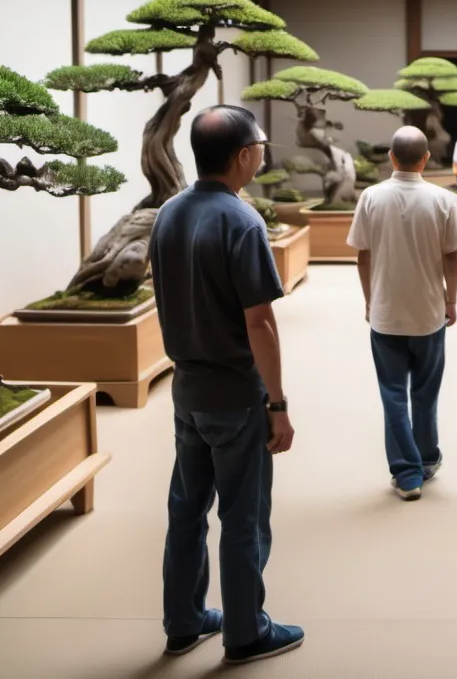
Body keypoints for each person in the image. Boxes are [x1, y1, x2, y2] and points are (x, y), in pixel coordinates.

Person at [149, 105, 304, 666]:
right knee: (242, 516)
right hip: (236, 396)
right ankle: (245, 632)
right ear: (244, 155)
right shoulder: (242, 222)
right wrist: (278, 404)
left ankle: (184, 622)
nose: (262, 153)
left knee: (186, 511)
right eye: (260, 145)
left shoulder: (167, 213)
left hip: (186, 392)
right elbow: (259, 321)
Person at [349, 126, 457, 501]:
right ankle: (428, 459)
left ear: (390, 157)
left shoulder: (371, 197)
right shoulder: (444, 199)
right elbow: (452, 256)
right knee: (425, 391)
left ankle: (407, 474)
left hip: (386, 315)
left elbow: (362, 255)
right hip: (429, 313)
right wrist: (451, 300)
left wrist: (370, 299)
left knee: (393, 394)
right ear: (426, 159)